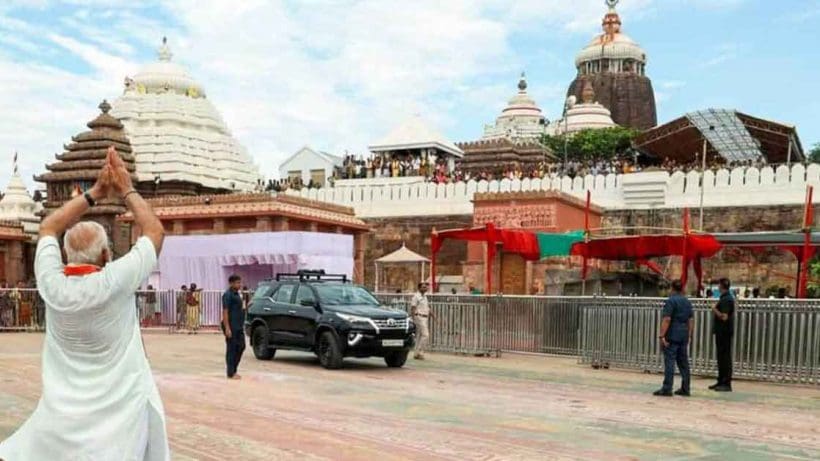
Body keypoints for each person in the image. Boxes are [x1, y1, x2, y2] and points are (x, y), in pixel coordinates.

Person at [0, 146, 170, 460]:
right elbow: (155, 231)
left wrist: (95, 192)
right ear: (106, 255)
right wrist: (125, 188)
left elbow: (49, 226)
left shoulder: (52, 285)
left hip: (62, 420)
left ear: (64, 256)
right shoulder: (115, 280)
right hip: (117, 424)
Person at [653, 280, 694, 397]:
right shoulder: (687, 302)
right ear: (682, 289)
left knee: (670, 361)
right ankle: (686, 388)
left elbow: (667, 319)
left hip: (672, 334)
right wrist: (689, 335)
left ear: (672, 288)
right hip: (683, 335)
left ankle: (667, 388)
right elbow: (691, 320)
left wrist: (662, 335)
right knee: (683, 363)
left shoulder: (671, 301)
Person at [711, 278, 735, 392]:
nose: (717, 287)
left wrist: (714, 309)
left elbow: (724, 317)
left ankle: (726, 383)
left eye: (718, 285)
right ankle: (720, 381)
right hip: (722, 332)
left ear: (721, 286)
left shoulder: (726, 299)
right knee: (721, 357)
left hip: (724, 332)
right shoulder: (725, 298)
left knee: (725, 357)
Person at [222, 275, 246, 379]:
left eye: (240, 282)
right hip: (231, 326)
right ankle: (230, 372)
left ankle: (234, 369)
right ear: (231, 283)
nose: (239, 285)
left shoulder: (237, 294)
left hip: (239, 325)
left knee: (241, 346)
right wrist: (227, 327)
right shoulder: (228, 295)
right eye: (237, 283)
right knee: (231, 349)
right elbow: (225, 311)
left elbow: (239, 309)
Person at [410, 282, 432, 360]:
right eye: (423, 287)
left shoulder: (425, 296)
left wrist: (432, 314)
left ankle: (416, 353)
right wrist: (412, 318)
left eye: (426, 287)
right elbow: (413, 307)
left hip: (425, 317)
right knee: (425, 335)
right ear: (419, 288)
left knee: (419, 336)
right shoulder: (416, 296)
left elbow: (427, 307)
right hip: (419, 317)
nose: (425, 288)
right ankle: (420, 352)